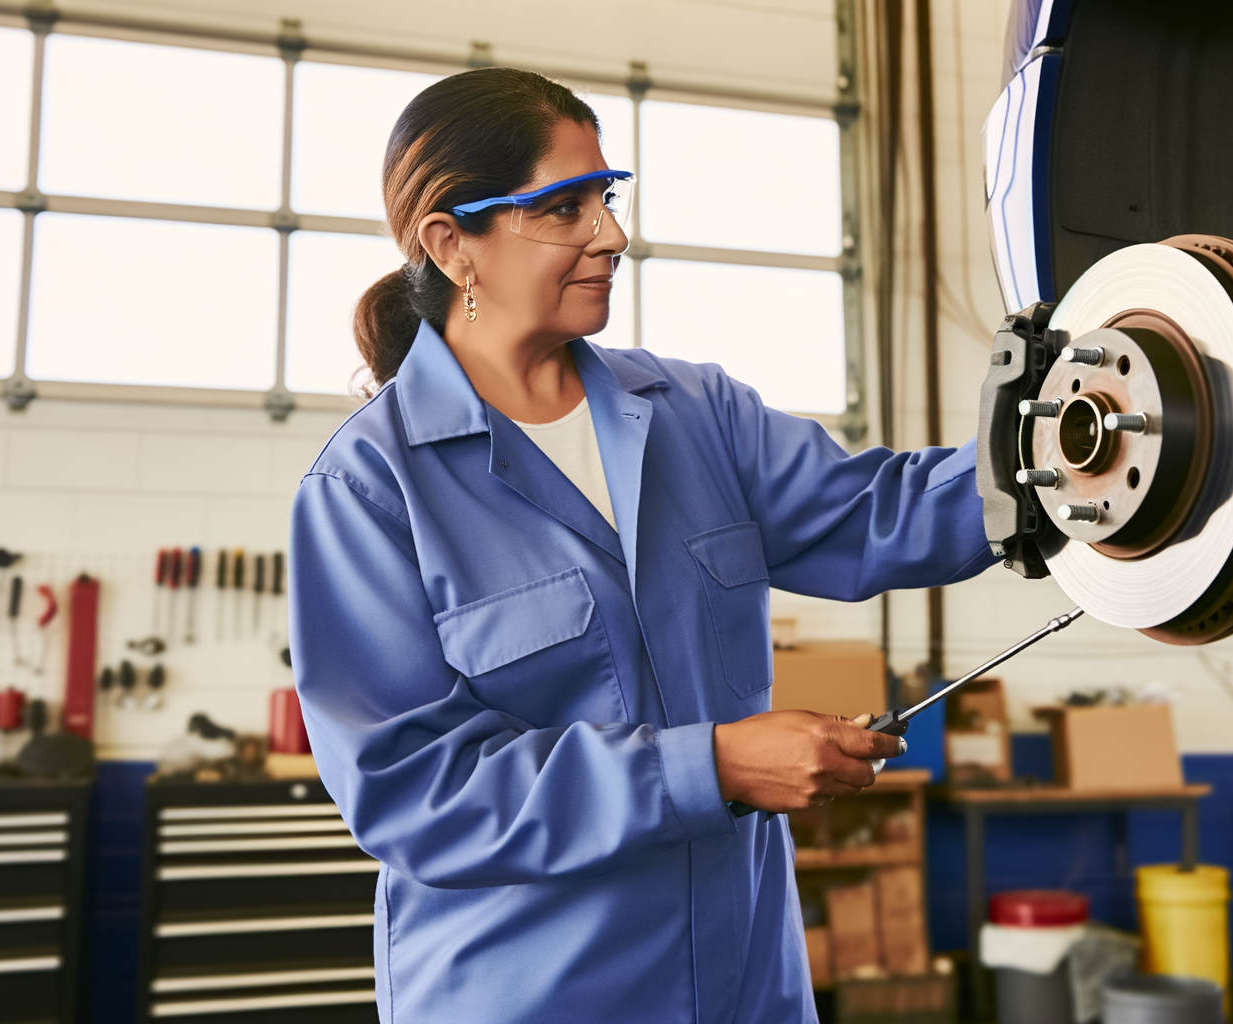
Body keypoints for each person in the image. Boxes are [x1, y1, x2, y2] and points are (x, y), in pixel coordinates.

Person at [289, 68, 994, 1023]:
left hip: (746, 984)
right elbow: (421, 791)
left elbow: (876, 513)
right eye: (563, 207)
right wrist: (716, 765)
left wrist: (1058, 466)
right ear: (454, 243)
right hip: (531, 996)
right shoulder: (370, 489)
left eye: (607, 197)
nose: (611, 235)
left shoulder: (694, 412)